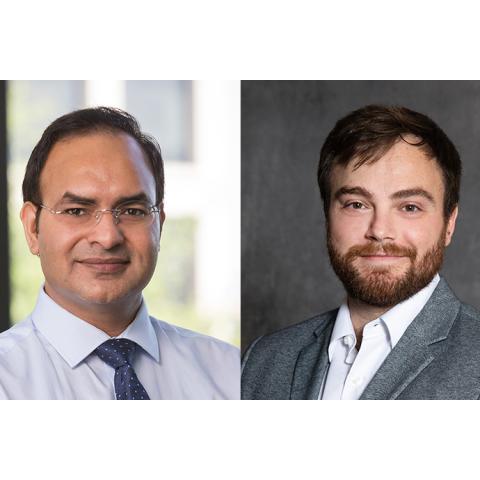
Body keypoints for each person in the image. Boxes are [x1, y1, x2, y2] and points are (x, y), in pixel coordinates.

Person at [241, 104, 480, 400]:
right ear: (328, 214)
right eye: (357, 204)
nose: (379, 230)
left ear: (449, 224)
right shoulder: (262, 362)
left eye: (409, 207)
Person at [0, 106, 239, 400]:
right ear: (32, 228)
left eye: (132, 211)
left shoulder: (231, 373)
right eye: (76, 210)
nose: (108, 237)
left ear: (159, 225)